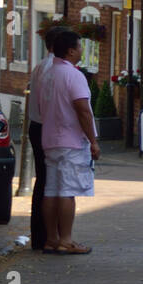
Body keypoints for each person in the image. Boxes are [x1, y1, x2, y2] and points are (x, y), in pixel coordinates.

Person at [40, 30, 100, 254]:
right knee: (67, 191)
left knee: (51, 189)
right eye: (80, 46)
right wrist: (93, 141)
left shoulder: (46, 74)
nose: (82, 50)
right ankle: (66, 239)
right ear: (71, 50)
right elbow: (83, 110)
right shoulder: (74, 76)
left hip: (50, 138)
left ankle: (51, 239)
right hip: (71, 140)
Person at [26, 25, 68, 251]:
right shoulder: (54, 68)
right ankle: (52, 237)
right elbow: (54, 105)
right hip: (49, 128)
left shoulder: (42, 66)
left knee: (43, 181)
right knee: (53, 183)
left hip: (38, 126)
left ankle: (41, 235)